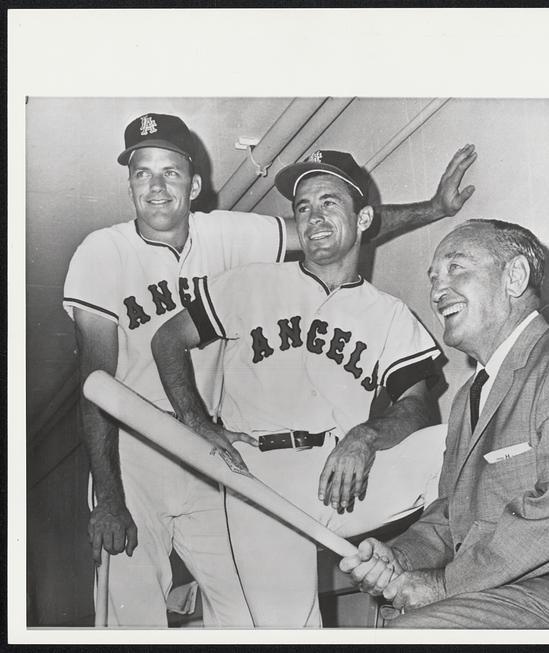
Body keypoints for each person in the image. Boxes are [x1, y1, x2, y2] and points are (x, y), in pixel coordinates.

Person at [63, 112, 476, 627]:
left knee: (459, 444)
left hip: (307, 462)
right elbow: (135, 358)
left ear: (192, 184)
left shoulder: (376, 305)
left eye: (169, 171)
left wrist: (435, 209)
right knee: (168, 606)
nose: (314, 217)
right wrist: (122, 483)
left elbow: (342, 226)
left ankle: (496, 567)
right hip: (185, 451)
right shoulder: (130, 258)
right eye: (142, 172)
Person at [150, 150, 453, 627]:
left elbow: (418, 408)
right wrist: (196, 423)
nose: (314, 217)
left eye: (329, 202)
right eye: (304, 207)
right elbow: (168, 338)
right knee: (288, 626)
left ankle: (479, 576)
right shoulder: (252, 282)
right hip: (259, 469)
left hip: (341, 471)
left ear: (364, 218)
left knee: (450, 447)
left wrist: (366, 437)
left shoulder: (390, 313)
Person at [340, 219, 549, 628]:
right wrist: (400, 556)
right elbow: (450, 517)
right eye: (433, 278)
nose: (437, 291)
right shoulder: (465, 399)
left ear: (516, 277)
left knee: (413, 629)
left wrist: (443, 584)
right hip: (517, 592)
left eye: (457, 268)